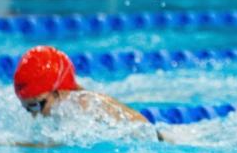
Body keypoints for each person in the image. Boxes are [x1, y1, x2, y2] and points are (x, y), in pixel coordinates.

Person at [13, 45, 153, 126]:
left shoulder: (87, 106)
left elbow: (144, 128)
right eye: (26, 107)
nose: (33, 114)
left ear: (60, 92)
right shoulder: (55, 105)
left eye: (35, 105)